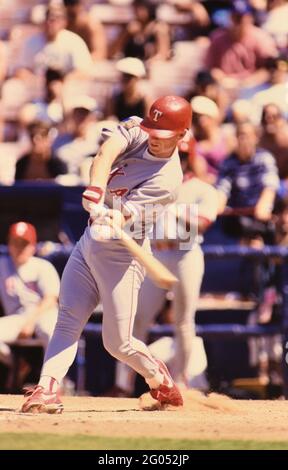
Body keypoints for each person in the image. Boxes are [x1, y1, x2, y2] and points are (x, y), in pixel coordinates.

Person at [20, 95, 192, 413]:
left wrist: (112, 216)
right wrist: (97, 189)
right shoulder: (141, 127)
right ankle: (47, 389)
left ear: (182, 136)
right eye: (152, 132)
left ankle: (159, 379)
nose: (154, 140)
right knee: (68, 318)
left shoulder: (168, 182)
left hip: (122, 257)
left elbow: (123, 217)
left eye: (163, 137)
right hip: (90, 243)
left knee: (118, 343)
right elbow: (106, 152)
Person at [113, 169, 218, 396]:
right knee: (137, 318)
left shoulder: (200, 188)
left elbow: (203, 223)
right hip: (155, 252)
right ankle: (124, 383)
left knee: (183, 321)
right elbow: (133, 223)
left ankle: (181, 381)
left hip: (185, 252)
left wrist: (173, 209)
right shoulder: (152, 182)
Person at [0, 222, 60, 366]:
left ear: (33, 246)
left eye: (24, 243)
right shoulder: (2, 265)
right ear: (9, 244)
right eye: (15, 242)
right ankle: (18, 366)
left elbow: (51, 299)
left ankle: (54, 381)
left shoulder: (43, 266)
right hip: (18, 318)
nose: (19, 248)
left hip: (43, 315)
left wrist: (30, 322)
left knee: (51, 329)